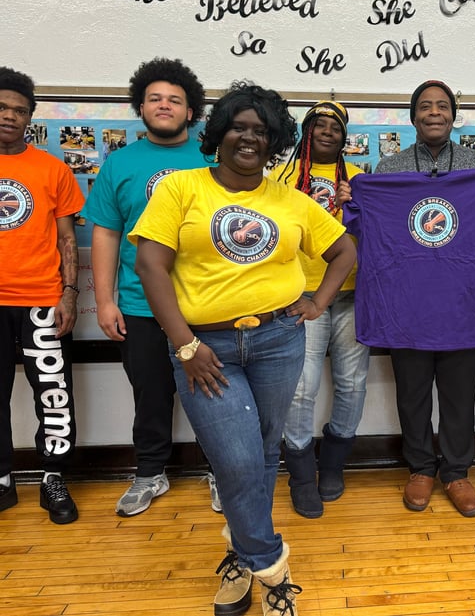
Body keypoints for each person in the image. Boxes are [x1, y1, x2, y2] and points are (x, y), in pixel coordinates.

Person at [130, 81, 356, 616]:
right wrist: (185, 345)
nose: (249, 137)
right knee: (236, 460)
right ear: (219, 133)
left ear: (274, 141)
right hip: (205, 348)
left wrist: (318, 302)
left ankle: (238, 553)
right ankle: (273, 569)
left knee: (261, 454)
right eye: (238, 127)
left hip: (279, 341)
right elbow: (150, 265)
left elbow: (345, 250)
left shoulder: (290, 200)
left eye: (261, 130)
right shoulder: (181, 188)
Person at [340, 79, 475, 518]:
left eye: (442, 106)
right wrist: (354, 200)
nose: (434, 112)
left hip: (463, 302)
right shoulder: (389, 169)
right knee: (412, 394)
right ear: (413, 116)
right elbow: (370, 227)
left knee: (460, 396)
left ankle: (456, 472)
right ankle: (420, 467)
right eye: (425, 106)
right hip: (406, 306)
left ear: (453, 115)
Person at [81, 57, 220, 517]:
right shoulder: (120, 163)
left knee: (215, 393)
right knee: (150, 395)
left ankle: (222, 473)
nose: (164, 105)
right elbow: (106, 233)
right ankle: (149, 473)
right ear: (140, 107)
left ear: (191, 110)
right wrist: (105, 301)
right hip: (140, 307)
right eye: (155, 99)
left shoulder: (212, 160)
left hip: (204, 305)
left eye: (174, 100)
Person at [273, 101, 369, 519]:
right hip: (301, 296)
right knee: (300, 388)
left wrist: (356, 208)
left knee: (352, 384)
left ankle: (332, 465)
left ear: (345, 136)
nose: (327, 131)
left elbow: (376, 236)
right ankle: (299, 475)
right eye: (319, 124)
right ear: (306, 130)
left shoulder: (360, 179)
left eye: (335, 126)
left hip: (352, 294)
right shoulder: (279, 177)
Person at [0, 66, 84, 524]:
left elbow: (68, 238)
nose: (9, 116)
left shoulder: (52, 169)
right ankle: (2, 479)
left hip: (41, 299)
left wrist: (69, 293)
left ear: (29, 118)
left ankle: (53, 476)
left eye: (19, 110)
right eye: (1, 107)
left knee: (53, 394)